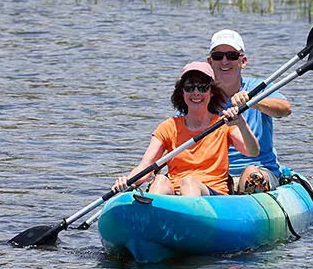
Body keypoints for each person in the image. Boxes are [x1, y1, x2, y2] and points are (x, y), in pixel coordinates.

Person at [112, 60, 260, 198]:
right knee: (160, 180)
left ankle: (190, 215)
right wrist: (127, 181)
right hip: (177, 195)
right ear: (182, 92)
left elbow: (252, 151)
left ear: (211, 92)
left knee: (189, 182)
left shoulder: (223, 124)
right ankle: (152, 214)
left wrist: (241, 124)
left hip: (212, 195)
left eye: (202, 87)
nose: (196, 93)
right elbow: (146, 166)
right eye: (189, 87)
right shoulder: (169, 127)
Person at [206, 28, 291, 194]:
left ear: (243, 61)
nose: (224, 61)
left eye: (232, 56)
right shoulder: (199, 94)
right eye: (218, 56)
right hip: (215, 175)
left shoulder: (258, 87)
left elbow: (285, 109)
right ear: (210, 62)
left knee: (251, 174)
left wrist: (254, 101)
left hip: (259, 170)